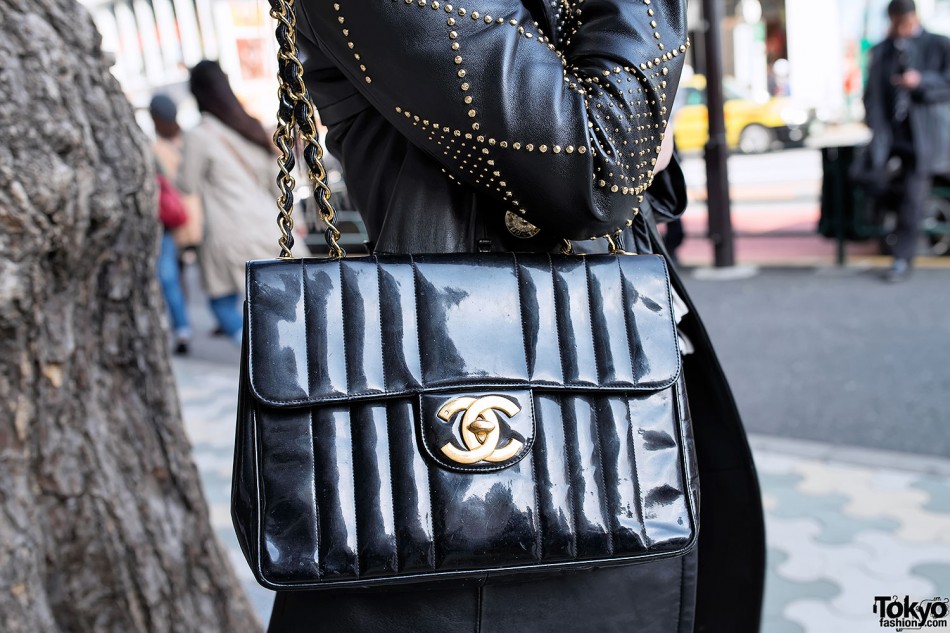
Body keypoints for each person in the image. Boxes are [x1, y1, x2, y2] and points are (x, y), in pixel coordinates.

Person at [266, 1, 766, 631]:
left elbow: (631, 166)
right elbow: (603, 161)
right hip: (480, 490)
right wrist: (626, 131)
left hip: (607, 418)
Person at [177, 61, 293, 342]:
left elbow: (186, 184)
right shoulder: (249, 126)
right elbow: (275, 182)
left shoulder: (199, 135)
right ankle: (277, 355)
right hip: (269, 227)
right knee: (280, 306)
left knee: (221, 303)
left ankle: (260, 359)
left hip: (227, 232)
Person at [863, 0, 950, 282]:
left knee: (913, 199)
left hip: (925, 139)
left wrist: (921, 81)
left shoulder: (938, 44)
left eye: (904, 21)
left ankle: (901, 259)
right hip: (890, 136)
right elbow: (872, 94)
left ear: (914, 17)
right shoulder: (883, 50)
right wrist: (876, 127)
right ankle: (893, 224)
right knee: (868, 180)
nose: (901, 27)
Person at [149, 95, 191, 354]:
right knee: (173, 277)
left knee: (169, 278)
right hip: (182, 218)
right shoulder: (187, 141)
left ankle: (181, 327)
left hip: (166, 220)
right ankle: (182, 326)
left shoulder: (156, 149)